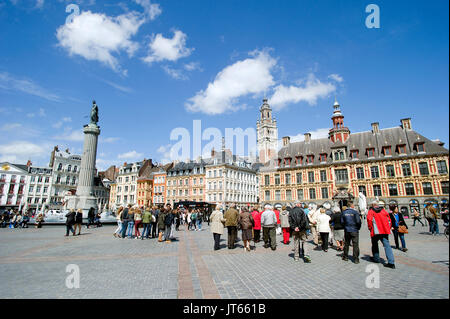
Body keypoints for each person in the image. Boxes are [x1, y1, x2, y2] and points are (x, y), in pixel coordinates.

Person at [367, 201, 396, 269]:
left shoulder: (371, 211)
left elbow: (369, 220)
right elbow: (389, 220)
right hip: (384, 231)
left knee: (374, 244)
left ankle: (376, 258)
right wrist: (388, 228)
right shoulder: (383, 211)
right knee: (387, 246)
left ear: (372, 205)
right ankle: (391, 262)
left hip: (375, 231)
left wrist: (370, 228)